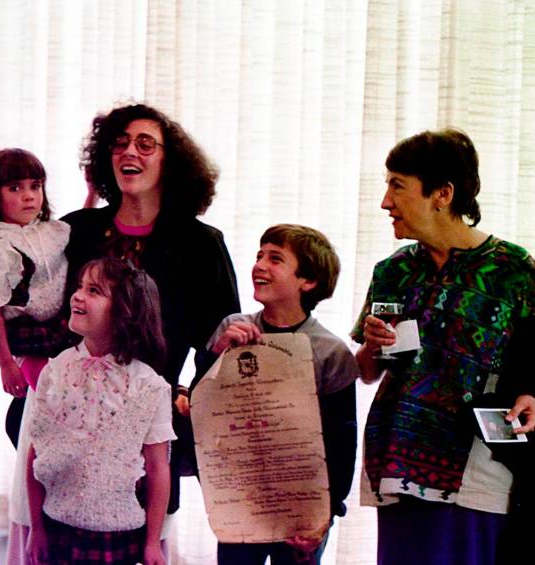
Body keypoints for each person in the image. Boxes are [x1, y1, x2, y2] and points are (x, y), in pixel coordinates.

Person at [352, 129, 535, 565]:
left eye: (397, 185)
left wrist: (531, 392)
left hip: (478, 465)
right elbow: (367, 370)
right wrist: (374, 349)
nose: (385, 202)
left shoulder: (513, 270)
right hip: (397, 461)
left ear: (442, 194)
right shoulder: (393, 271)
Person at [63, 103, 240, 529]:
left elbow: (220, 340)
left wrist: (191, 396)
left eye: (146, 144)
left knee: (148, 542)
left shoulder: (201, 243)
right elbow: (44, 311)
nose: (130, 152)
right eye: (120, 143)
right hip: (74, 417)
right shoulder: (79, 231)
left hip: (154, 424)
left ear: (168, 160)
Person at [193, 224, 359, 565]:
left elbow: (343, 441)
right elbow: (199, 406)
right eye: (259, 255)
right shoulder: (231, 327)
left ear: (308, 281)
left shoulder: (330, 351)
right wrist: (216, 355)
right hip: (241, 501)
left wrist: (325, 517)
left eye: (275, 258)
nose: (260, 265)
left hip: (301, 511)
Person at [0, 148, 70, 565]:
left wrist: (92, 195)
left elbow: (70, 237)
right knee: (39, 426)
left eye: (35, 186)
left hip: (59, 337)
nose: (29, 196)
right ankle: (35, 530)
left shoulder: (49, 231)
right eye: (16, 187)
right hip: (28, 343)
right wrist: (6, 364)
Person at [25, 257, 175, 565]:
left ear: (126, 311)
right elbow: (36, 455)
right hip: (57, 528)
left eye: (93, 290)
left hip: (118, 535)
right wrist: (36, 529)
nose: (77, 295)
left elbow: (159, 469)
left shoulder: (149, 385)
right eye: (79, 286)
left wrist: (152, 543)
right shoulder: (55, 372)